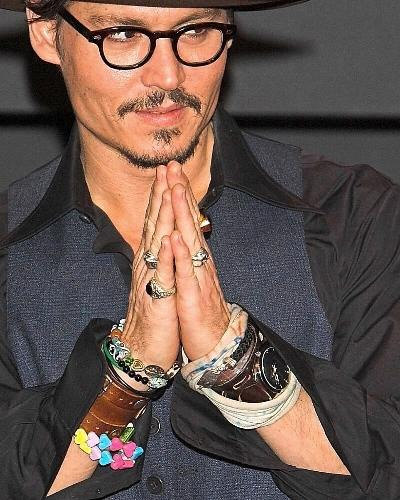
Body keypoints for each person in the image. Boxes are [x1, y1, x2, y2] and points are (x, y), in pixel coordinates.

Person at [0, 0, 399, 497]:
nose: (167, 75)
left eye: (195, 31)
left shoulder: (353, 216)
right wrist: (127, 375)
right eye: (122, 35)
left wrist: (235, 363)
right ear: (46, 33)